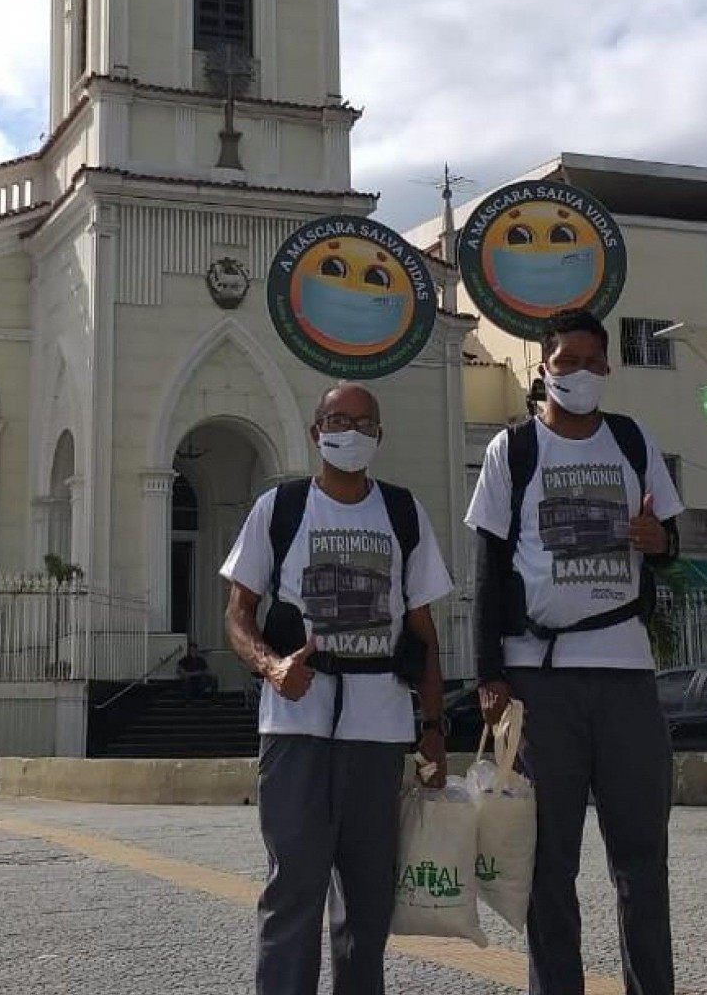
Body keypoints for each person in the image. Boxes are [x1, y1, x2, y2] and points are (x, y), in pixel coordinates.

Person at [467, 307, 684, 995]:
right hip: (542, 680)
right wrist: (490, 673)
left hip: (626, 674)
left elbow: (669, 543)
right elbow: (488, 566)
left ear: (609, 367)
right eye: (568, 362)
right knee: (550, 862)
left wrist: (660, 542)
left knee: (642, 858)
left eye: (594, 361)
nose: (581, 374)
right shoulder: (514, 450)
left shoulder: (632, 439)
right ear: (544, 367)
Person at [222, 382, 454, 995]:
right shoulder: (280, 509)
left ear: (378, 436)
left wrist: (433, 732)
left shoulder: (403, 512)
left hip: (379, 728)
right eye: (336, 420)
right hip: (295, 728)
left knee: (367, 899)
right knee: (293, 888)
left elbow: (425, 631)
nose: (348, 432)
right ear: (314, 431)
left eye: (361, 423)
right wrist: (272, 667)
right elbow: (237, 613)